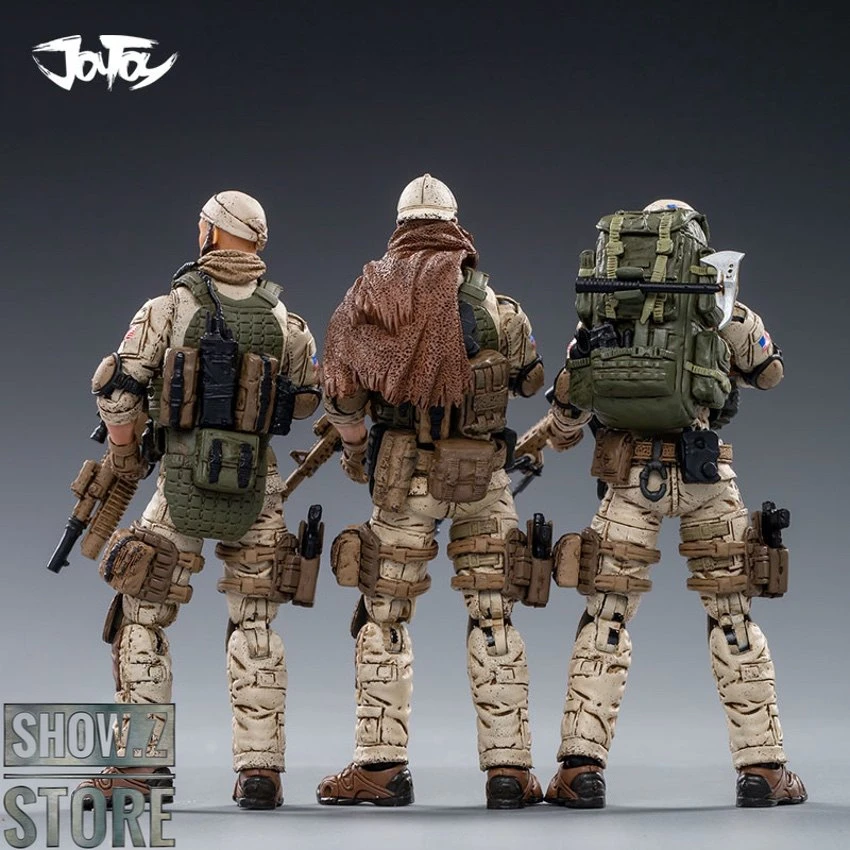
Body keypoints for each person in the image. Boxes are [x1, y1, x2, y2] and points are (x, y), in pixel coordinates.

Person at [539, 199, 806, 809]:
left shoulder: (605, 310)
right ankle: (763, 771)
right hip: (707, 476)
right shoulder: (717, 306)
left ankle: (580, 769)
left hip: (631, 477)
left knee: (606, 615)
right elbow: (770, 372)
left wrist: (555, 433)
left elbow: (569, 408)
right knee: (732, 614)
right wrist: (726, 319)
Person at [81, 191, 321, 809]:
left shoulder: (167, 309)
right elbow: (304, 401)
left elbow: (117, 389)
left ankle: (141, 767)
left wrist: (125, 451)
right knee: (256, 622)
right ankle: (261, 774)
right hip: (257, 485)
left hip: (182, 478)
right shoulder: (287, 322)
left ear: (211, 235)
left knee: (140, 612)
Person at [318, 174, 547, 808]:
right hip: (483, 478)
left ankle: (381, 769)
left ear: (400, 229)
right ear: (455, 229)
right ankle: (510, 772)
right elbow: (530, 380)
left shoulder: (369, 298)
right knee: (494, 615)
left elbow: (342, 396)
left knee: (384, 614)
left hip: (404, 478)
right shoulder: (499, 307)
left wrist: (356, 450)